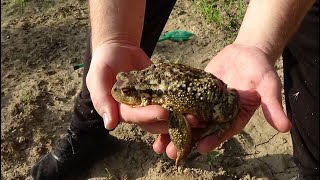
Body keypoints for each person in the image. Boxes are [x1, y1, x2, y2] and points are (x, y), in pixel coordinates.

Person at [30, 0, 319, 179]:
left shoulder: (165, 101)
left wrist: (257, 43)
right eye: (127, 85)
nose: (123, 90)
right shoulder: (152, 84)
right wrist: (114, 36)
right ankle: (90, 129)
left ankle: (312, 170)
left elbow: (179, 123)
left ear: (144, 95)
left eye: (128, 92)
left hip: (215, 95)